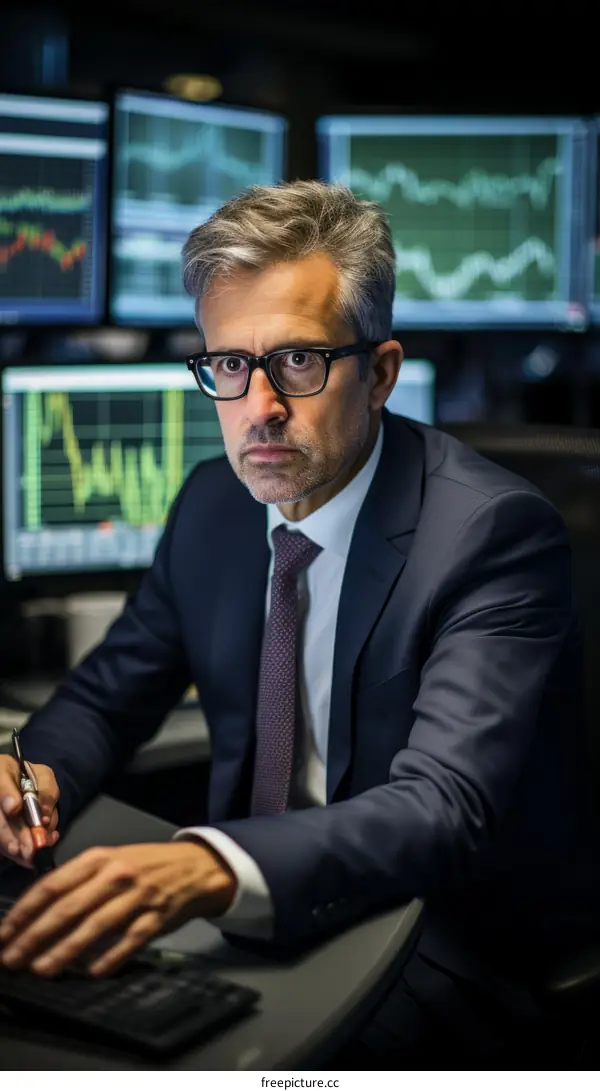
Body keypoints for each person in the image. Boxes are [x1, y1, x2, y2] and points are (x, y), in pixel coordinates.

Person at [0, 180, 598, 1068]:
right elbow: (106, 697)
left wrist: (208, 864)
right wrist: (34, 774)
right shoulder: (213, 503)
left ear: (382, 371)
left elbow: (442, 806)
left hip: (445, 935)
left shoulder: (489, 535)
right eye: (229, 366)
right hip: (257, 920)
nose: (259, 407)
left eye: (300, 362)